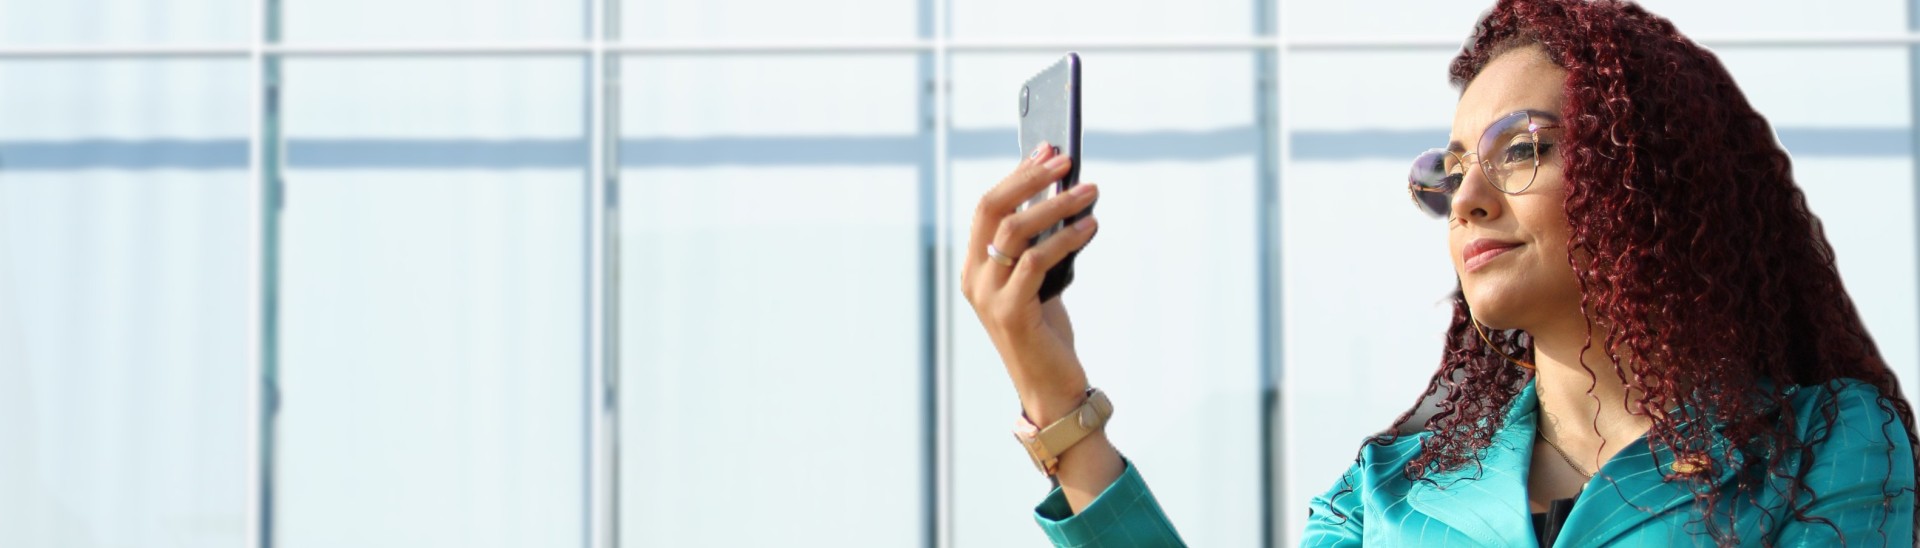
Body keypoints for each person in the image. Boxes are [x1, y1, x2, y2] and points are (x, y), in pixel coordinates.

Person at [959, 0, 1920, 545]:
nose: (1468, 198)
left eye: (1525, 149)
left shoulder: (1825, 448)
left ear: (1647, 178)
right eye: (1451, 169)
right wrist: (1055, 393)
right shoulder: (1384, 496)